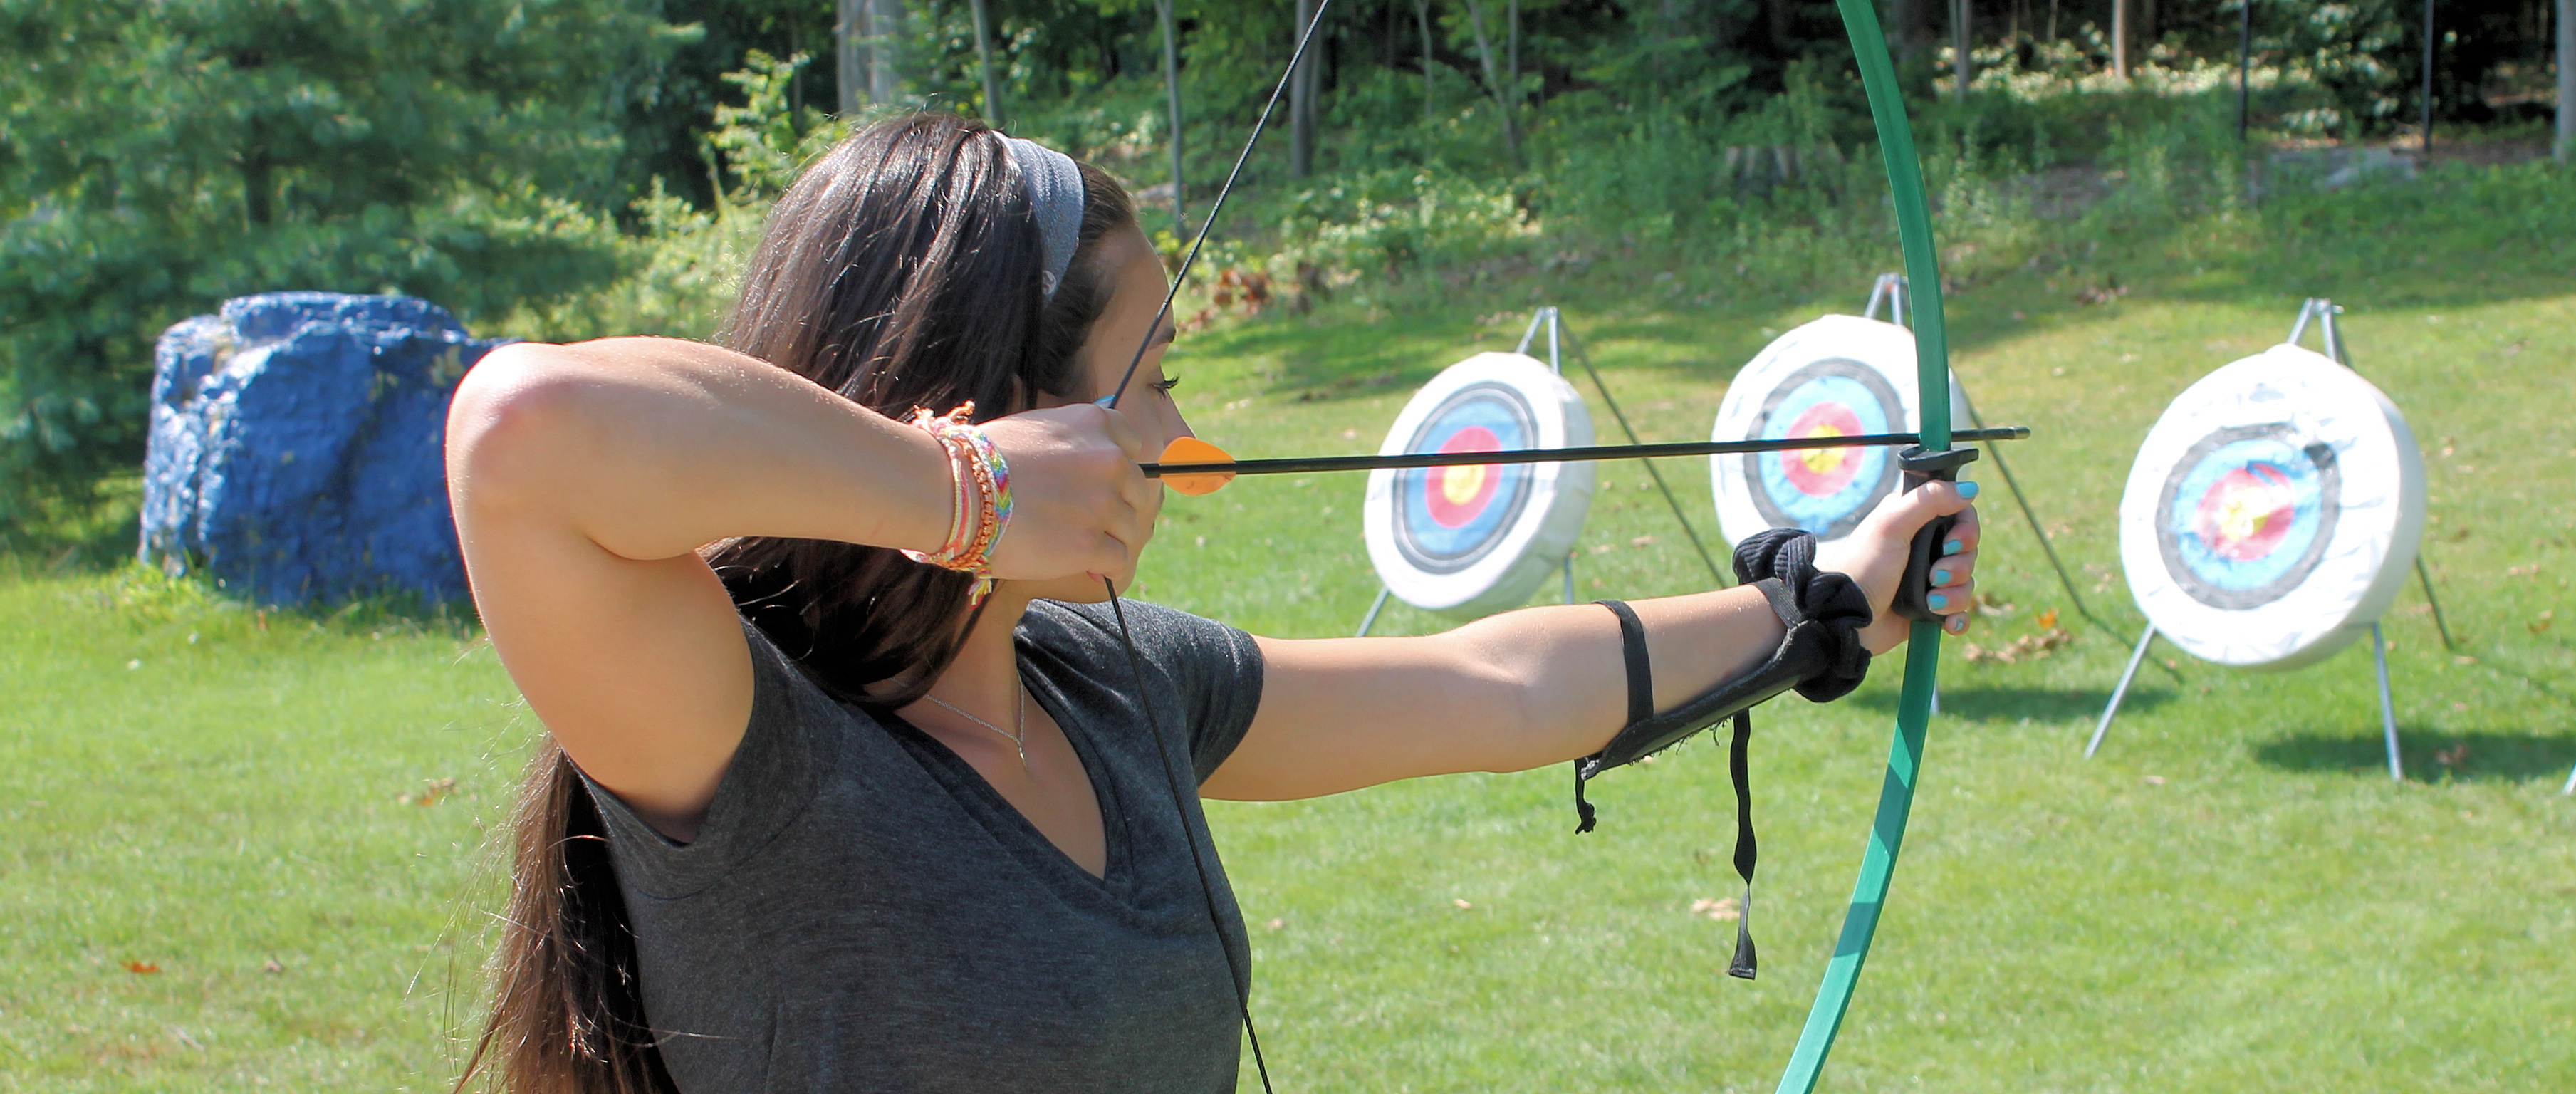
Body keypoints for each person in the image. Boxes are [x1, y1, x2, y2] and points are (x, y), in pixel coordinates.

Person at [442, 112, 1983, 1094]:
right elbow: (522, 437)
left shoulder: (1116, 690)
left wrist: (1828, 602)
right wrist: (955, 494)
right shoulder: (749, 749)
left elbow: (1503, 683)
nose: (1181, 442)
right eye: (1152, 378)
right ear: (1002, 405)